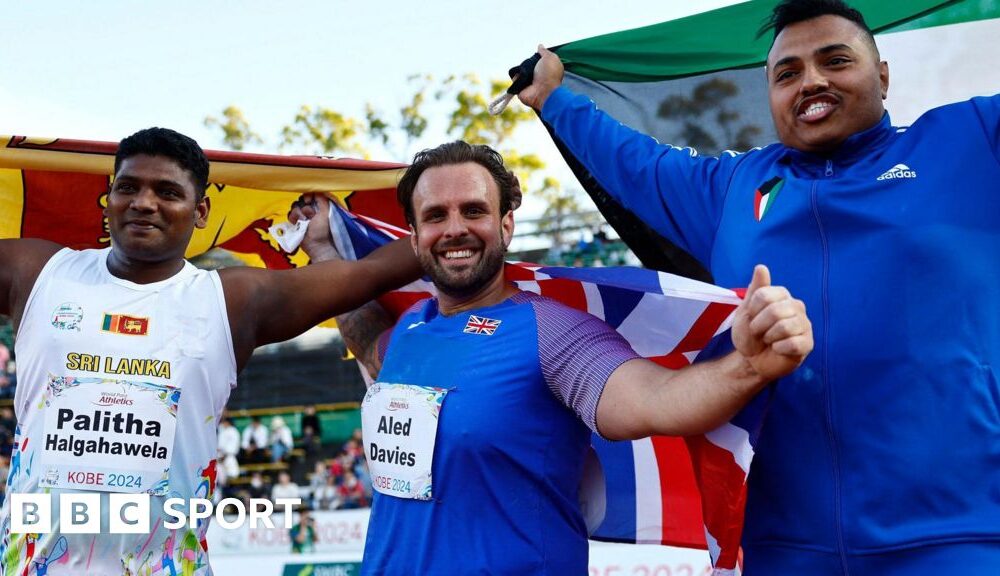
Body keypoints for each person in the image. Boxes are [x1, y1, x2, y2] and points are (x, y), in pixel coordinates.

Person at [516, 1, 1000, 573]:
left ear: (883, 76)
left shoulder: (971, 141)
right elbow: (633, 161)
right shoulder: (732, 189)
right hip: (781, 548)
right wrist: (553, 97)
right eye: (786, 73)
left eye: (836, 60)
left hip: (960, 538)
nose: (811, 81)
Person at [290, 140, 813, 574]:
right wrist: (324, 250)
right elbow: (364, 338)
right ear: (416, 236)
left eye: (474, 210)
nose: (454, 228)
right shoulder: (411, 329)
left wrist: (750, 366)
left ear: (507, 225)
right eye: (435, 216)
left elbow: (657, 399)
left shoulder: (551, 331)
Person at [0, 127, 421, 575]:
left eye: (167, 191)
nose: (144, 202)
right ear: (109, 198)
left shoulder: (230, 301)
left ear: (200, 211)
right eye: (128, 187)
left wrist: (477, 208)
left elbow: (373, 272)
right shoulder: (38, 273)